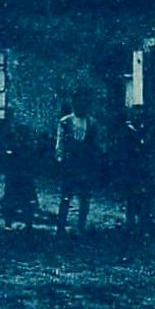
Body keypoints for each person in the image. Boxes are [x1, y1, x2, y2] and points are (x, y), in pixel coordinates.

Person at [54, 90, 101, 234]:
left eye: (84, 103)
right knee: (66, 196)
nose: (81, 106)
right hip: (70, 163)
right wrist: (61, 159)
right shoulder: (65, 122)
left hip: (85, 164)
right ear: (73, 104)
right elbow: (59, 143)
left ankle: (81, 226)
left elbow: (95, 144)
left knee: (85, 196)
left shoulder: (92, 123)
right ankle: (61, 227)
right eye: (78, 103)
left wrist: (94, 161)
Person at [113, 105, 155, 236]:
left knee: (144, 196)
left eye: (141, 116)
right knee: (132, 197)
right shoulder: (126, 131)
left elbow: (147, 147)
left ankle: (143, 224)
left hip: (142, 169)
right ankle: (130, 225)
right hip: (131, 169)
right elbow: (123, 151)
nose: (138, 118)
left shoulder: (144, 130)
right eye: (136, 116)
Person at [0, 118, 37, 231]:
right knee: (10, 198)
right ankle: (8, 223)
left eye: (24, 134)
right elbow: (6, 159)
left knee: (28, 200)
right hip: (14, 176)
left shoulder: (29, 146)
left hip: (25, 177)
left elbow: (33, 161)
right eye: (19, 133)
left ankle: (28, 224)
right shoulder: (13, 145)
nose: (21, 136)